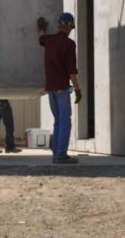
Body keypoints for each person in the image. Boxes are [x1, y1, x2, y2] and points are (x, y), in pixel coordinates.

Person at [37, 11, 81, 164]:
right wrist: (77, 90)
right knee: (64, 121)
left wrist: (41, 28)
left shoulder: (49, 40)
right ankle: (61, 155)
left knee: (57, 120)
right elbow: (71, 71)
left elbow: (40, 39)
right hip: (62, 88)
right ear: (70, 27)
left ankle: (56, 153)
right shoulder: (69, 44)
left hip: (50, 89)